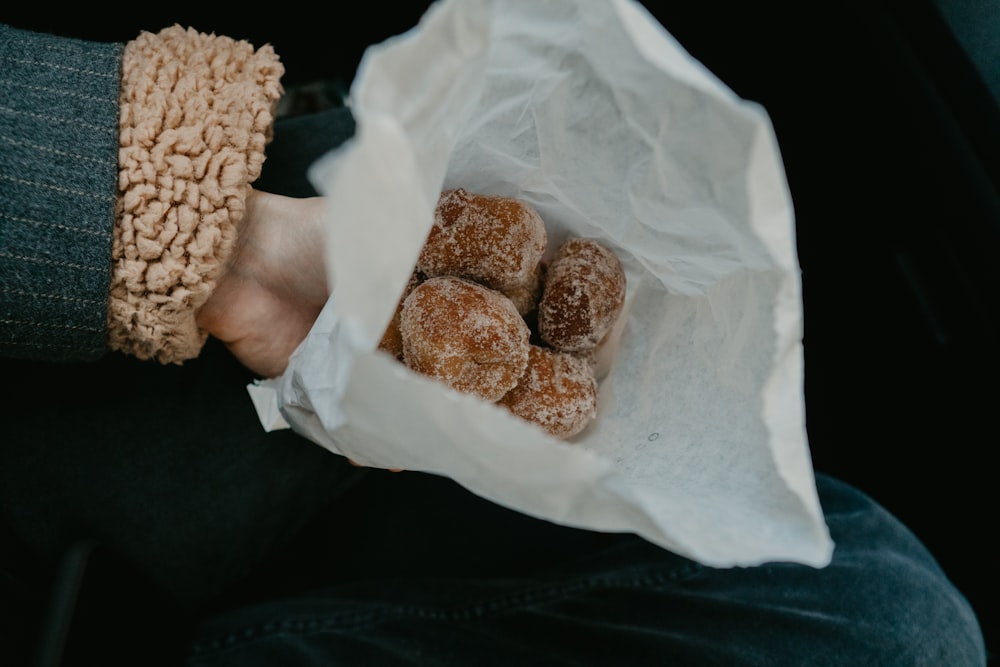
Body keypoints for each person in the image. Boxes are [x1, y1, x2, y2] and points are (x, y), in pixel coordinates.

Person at [0, 21, 988, 667]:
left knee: (902, 620)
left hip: (254, 343)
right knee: (900, 631)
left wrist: (240, 248)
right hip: (74, 464)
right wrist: (234, 254)